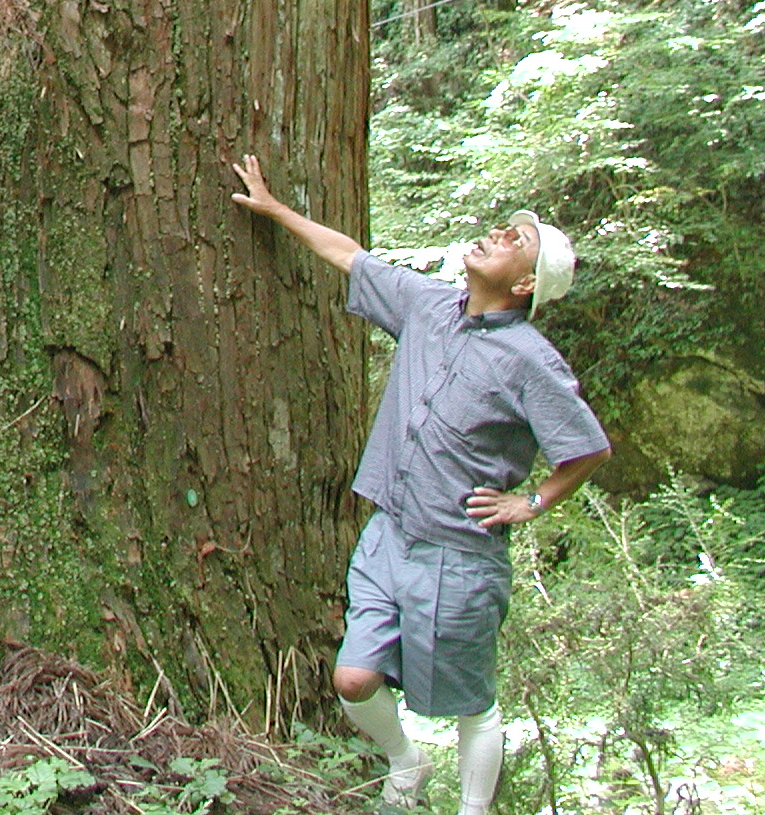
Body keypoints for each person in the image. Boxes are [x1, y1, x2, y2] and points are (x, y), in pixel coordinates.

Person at [230, 155, 611, 814]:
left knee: (471, 701)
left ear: (524, 285)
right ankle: (406, 762)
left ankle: (473, 809)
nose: (498, 234)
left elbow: (587, 448)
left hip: (460, 555)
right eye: (504, 229)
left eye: (514, 242)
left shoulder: (530, 360)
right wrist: (275, 209)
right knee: (353, 678)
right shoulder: (430, 306)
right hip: (390, 536)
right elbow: (351, 258)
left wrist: (534, 501)